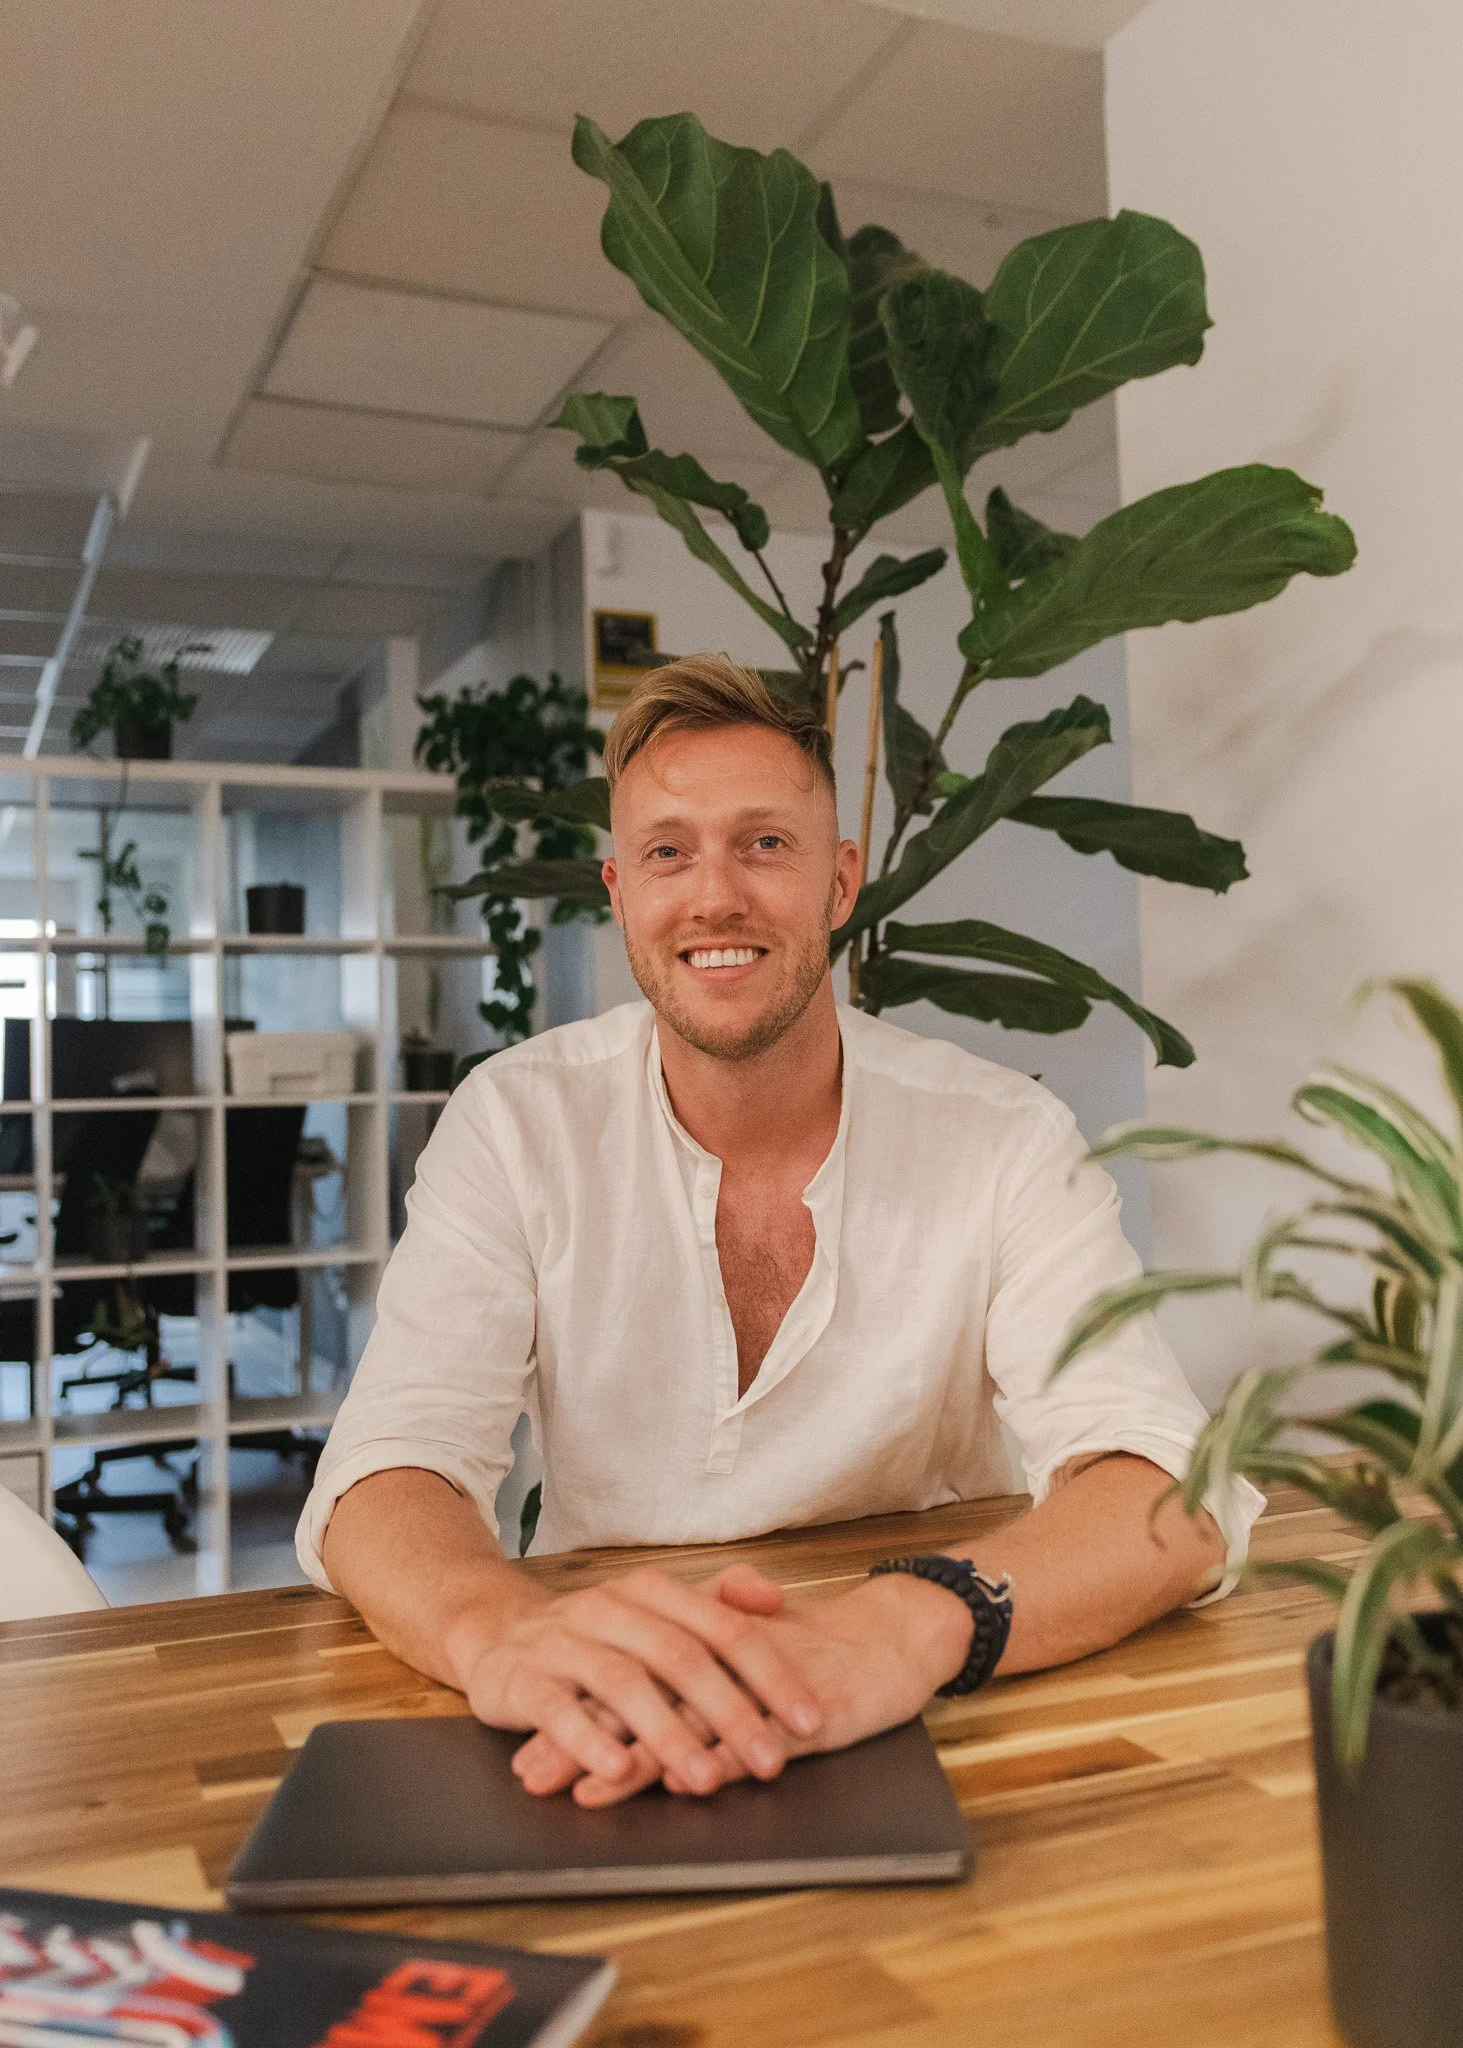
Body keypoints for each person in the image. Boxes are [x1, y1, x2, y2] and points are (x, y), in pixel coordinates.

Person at [299, 655, 1262, 1809]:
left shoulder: (1002, 1135)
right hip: (604, 1709)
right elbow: (388, 1462)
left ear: (838, 881)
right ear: (618, 889)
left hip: (955, 1710)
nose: (714, 896)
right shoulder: (514, 1122)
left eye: (764, 842)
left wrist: (907, 1624)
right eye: (666, 851)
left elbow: (1169, 1483)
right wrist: (497, 1629)